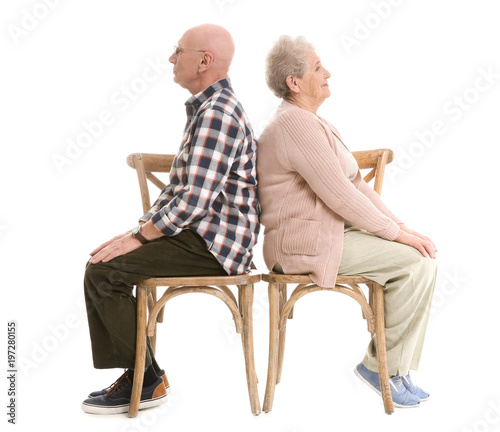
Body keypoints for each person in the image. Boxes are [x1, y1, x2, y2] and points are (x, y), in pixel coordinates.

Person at [81, 24, 259, 414]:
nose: (171, 58)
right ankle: (142, 375)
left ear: (204, 61)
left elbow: (193, 200)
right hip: (199, 236)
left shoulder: (219, 114)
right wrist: (135, 232)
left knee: (103, 272)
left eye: (178, 50)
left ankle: (145, 379)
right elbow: (179, 192)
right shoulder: (208, 110)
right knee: (103, 262)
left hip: (215, 247)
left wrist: (141, 238)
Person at [257, 35, 437, 408]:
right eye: (318, 67)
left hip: (331, 233)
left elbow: (356, 185)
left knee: (420, 256)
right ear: (293, 81)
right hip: (301, 246)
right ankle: (380, 368)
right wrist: (395, 236)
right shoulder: (295, 124)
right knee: (415, 262)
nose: (327, 73)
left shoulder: (314, 122)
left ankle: (394, 369)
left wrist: (402, 228)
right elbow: (338, 194)